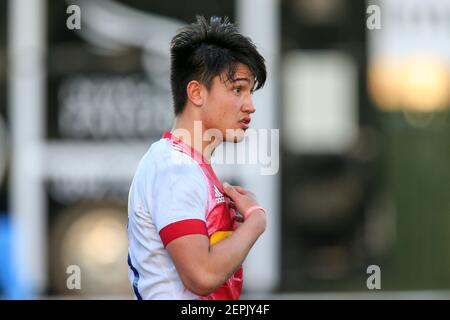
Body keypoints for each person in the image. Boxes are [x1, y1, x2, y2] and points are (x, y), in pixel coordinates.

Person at [127, 15, 267, 300]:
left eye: (250, 92)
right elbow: (202, 276)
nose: (250, 106)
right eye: (237, 89)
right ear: (196, 93)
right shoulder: (174, 168)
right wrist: (255, 222)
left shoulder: (191, 166)